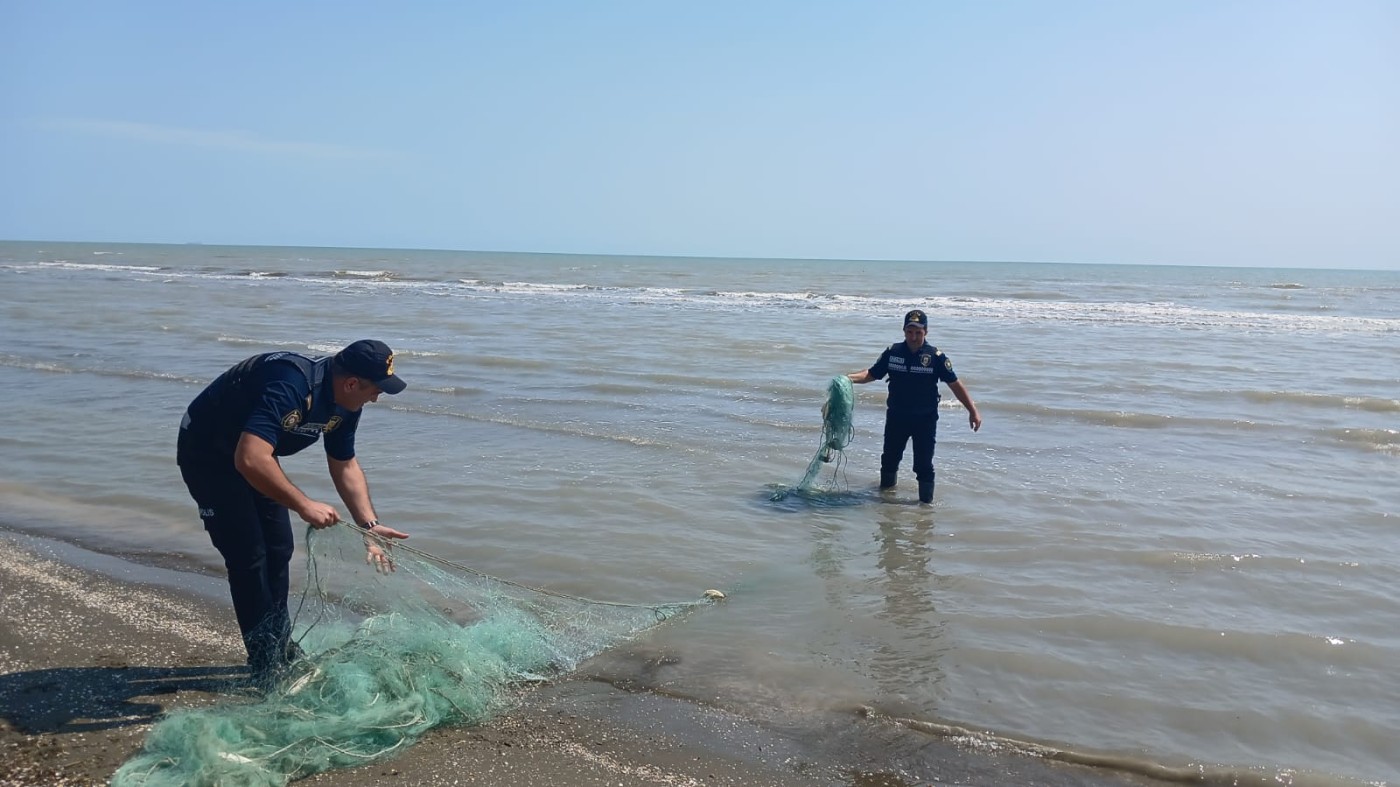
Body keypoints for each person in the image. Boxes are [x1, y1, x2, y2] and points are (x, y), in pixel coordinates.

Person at [176, 339, 410, 682]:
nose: (376, 398)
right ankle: (265, 662)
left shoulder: (347, 404)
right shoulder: (290, 385)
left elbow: (344, 464)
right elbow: (249, 459)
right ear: (351, 383)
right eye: (376, 389)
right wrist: (304, 504)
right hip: (209, 453)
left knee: (279, 548)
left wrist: (368, 525)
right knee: (249, 557)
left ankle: (279, 644)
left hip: (257, 457)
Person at [848, 309, 982, 504]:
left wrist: (972, 411)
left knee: (924, 466)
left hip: (925, 420)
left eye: (918, 332)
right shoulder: (892, 352)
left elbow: (955, 385)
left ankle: (925, 510)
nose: (913, 337)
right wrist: (848, 379)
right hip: (896, 418)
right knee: (889, 460)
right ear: (904, 331)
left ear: (926, 331)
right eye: (909, 332)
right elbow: (872, 374)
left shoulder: (936, 357)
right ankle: (884, 504)